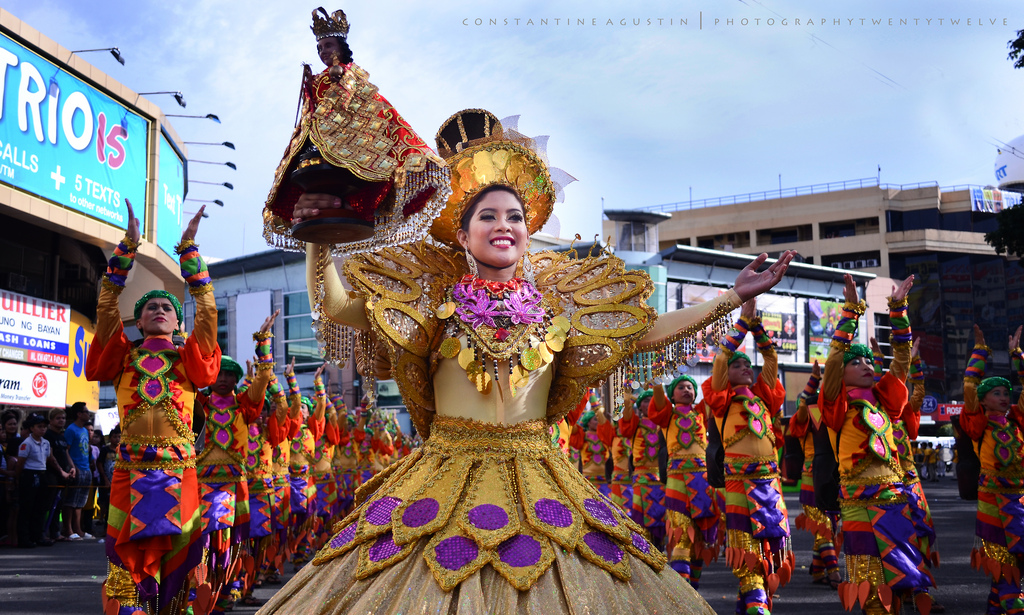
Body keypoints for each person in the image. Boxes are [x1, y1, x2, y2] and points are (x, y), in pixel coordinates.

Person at [258, 107, 795, 614]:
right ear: (463, 234)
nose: (503, 225)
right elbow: (336, 305)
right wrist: (319, 240)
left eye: (514, 216)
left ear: (527, 230)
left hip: (543, 479)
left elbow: (644, 332)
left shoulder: (562, 303)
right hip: (440, 475)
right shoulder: (429, 298)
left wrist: (731, 297)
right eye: (487, 215)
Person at [86, 201, 219, 615]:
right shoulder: (122, 356)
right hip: (130, 472)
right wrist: (127, 247)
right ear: (138, 323)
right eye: (150, 308)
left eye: (167, 308)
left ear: (178, 324)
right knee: (127, 563)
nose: (159, 310)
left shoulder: (189, 360)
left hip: (181, 472)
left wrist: (190, 253)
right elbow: (107, 307)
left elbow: (208, 315)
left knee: (180, 564)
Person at [819, 274, 933, 614]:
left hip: (893, 498)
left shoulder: (884, 400)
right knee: (869, 581)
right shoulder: (836, 402)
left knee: (900, 578)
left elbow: (901, 363)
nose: (866, 366)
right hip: (856, 502)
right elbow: (835, 358)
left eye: (869, 361)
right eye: (857, 362)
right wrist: (851, 312)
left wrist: (898, 312)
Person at [702, 298, 790, 615]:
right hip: (738, 481)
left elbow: (770, 360)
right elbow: (721, 359)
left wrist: (758, 328)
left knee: (771, 543)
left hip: (770, 481)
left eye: (747, 365)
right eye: (738, 366)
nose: (746, 368)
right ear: (727, 374)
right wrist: (741, 325)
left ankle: (752, 600)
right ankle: (755, 599)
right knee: (744, 541)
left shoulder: (765, 397)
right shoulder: (721, 399)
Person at [193, 311, 279, 613]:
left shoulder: (244, 407)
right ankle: (198, 593)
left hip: (232, 487)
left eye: (230, 375)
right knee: (201, 543)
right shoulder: (198, 403)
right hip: (199, 486)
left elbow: (262, 380)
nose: (224, 380)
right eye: (219, 374)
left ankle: (224, 591)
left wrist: (263, 343)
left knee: (228, 544)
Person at [961, 324, 1024, 615]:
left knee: (1016, 561)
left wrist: (1017, 356)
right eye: (996, 393)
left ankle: (998, 606)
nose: (1003, 397)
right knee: (1005, 557)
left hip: (1020, 498)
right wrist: (979, 353)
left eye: (1006, 393)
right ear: (983, 401)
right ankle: (1013, 605)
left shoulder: (1017, 421)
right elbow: (970, 386)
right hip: (994, 501)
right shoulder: (978, 425)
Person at [652, 374, 717, 589]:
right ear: (672, 394)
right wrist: (658, 376)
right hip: (677, 479)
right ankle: (682, 590)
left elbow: (715, 390)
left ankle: (694, 588)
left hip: (702, 479)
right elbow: (658, 395)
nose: (687, 390)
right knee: (681, 533)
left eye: (690, 387)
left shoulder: (701, 413)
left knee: (699, 535)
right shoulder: (666, 414)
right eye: (681, 387)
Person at [787, 362, 841, 589]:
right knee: (823, 526)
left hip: (835, 474)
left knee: (831, 524)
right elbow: (802, 406)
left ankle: (818, 570)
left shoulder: (835, 415)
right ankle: (834, 572)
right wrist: (813, 381)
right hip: (812, 477)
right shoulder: (801, 420)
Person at [618, 386, 669, 550]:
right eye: (646, 400)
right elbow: (625, 416)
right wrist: (628, 396)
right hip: (642, 479)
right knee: (642, 519)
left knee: (662, 517)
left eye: (653, 399)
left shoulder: (664, 424)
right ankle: (644, 552)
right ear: (639, 406)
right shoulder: (635, 425)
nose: (651, 402)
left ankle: (660, 552)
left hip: (662, 479)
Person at [16, 413, 70, 548]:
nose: (43, 429)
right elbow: (20, 463)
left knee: (40, 508)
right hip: (29, 475)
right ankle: (24, 538)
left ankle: (38, 535)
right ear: (32, 428)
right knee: (27, 508)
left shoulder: (46, 443)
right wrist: (18, 479)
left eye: (44, 427)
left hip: (42, 474)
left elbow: (48, 458)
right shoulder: (26, 443)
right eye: (39, 427)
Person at [63, 402, 94, 541]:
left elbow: (86, 449)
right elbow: (66, 450)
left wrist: (90, 461)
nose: (88, 414)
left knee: (81, 501)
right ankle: (68, 530)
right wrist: (72, 466)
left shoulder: (84, 430)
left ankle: (78, 529)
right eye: (86, 411)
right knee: (71, 500)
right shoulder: (71, 429)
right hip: (76, 468)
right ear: (79, 414)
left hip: (86, 468)